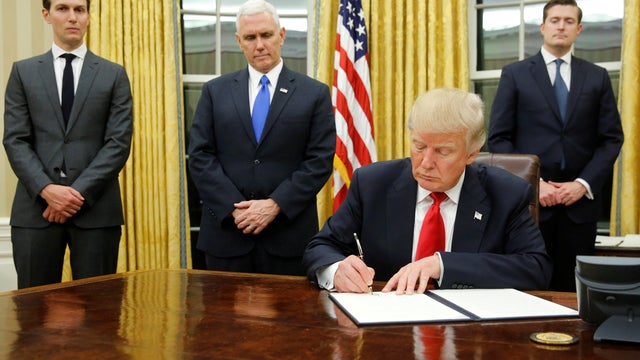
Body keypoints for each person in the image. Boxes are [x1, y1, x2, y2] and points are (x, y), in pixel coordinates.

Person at [303, 88, 552, 294]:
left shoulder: (507, 193)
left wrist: (442, 265)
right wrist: (336, 270)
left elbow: (535, 268)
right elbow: (320, 246)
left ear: (472, 154)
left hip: (469, 334)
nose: (426, 162)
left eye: (442, 151)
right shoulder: (372, 184)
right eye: (419, 146)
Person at [188, 0, 335, 275]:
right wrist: (237, 210)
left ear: (281, 35)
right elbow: (200, 156)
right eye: (250, 37)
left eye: (266, 35)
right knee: (221, 319)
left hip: (287, 238)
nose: (259, 45)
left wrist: (274, 204)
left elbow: (319, 161)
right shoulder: (214, 91)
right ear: (238, 41)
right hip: (226, 236)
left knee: (291, 319)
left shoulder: (314, 94)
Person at [488, 0, 624, 291]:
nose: (561, 26)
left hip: (580, 208)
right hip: (530, 207)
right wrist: (536, 185)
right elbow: (499, 139)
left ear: (579, 29)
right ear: (543, 27)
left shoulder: (597, 76)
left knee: (576, 290)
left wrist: (582, 183)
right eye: (555, 20)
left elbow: (611, 138)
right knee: (529, 287)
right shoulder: (515, 74)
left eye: (569, 21)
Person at [2, 0, 133, 289]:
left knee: (100, 315)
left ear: (88, 16)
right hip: (35, 212)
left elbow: (118, 143)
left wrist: (75, 195)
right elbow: (15, 140)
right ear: (46, 15)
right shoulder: (23, 72)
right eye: (63, 8)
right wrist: (48, 191)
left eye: (80, 9)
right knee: (33, 314)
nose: (72, 17)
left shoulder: (114, 74)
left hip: (96, 212)